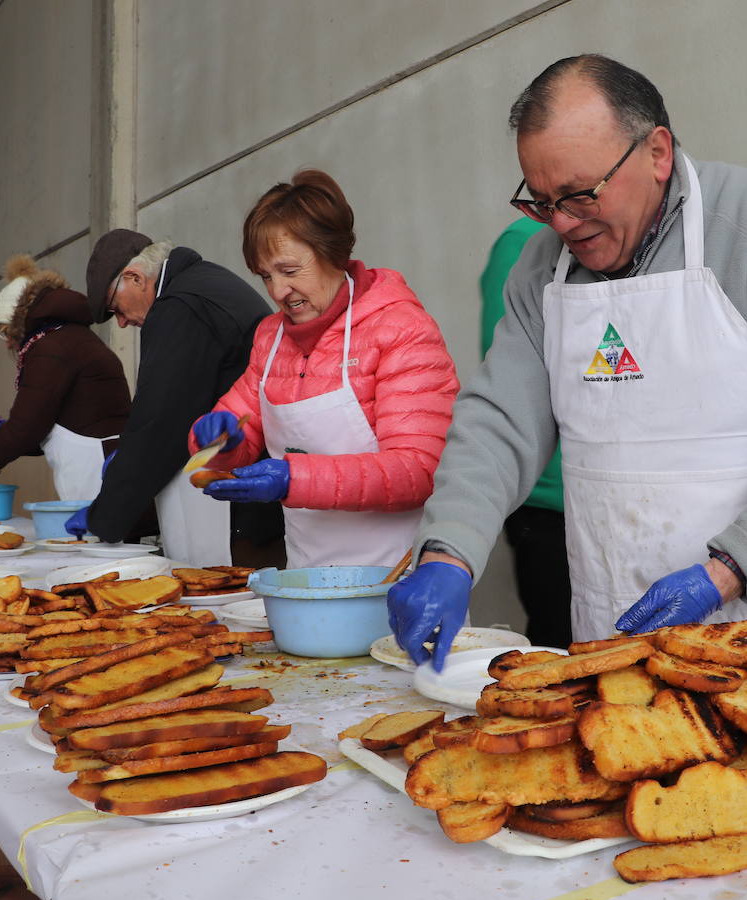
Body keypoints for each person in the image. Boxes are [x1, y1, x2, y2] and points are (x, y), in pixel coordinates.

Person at [389, 55, 747, 675]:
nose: (563, 224)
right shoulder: (541, 270)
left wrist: (729, 569)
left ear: (656, 152)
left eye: (579, 195)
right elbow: (498, 423)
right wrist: (447, 552)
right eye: (541, 202)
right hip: (611, 605)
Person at [190, 169, 459, 569]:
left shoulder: (400, 329)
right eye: (266, 276)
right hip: (309, 572)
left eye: (290, 271)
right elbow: (238, 422)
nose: (278, 292)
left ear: (333, 253)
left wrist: (293, 479)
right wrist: (216, 441)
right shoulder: (271, 338)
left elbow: (419, 470)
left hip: (399, 573)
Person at [64, 231, 273, 566]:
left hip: (241, 500)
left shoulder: (179, 307)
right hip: (254, 484)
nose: (121, 322)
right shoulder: (203, 281)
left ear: (134, 277)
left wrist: (105, 516)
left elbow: (158, 424)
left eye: (115, 308)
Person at [0, 255, 130, 500]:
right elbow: (51, 422)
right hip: (103, 459)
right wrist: (7, 435)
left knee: (95, 537)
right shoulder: (71, 337)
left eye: (6, 330)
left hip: (94, 469)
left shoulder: (51, 348)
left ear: (20, 321)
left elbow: (26, 428)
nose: (7, 342)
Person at [480, 217, 572, 650]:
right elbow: (512, 388)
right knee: (560, 648)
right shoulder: (522, 243)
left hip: (633, 499)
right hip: (551, 507)